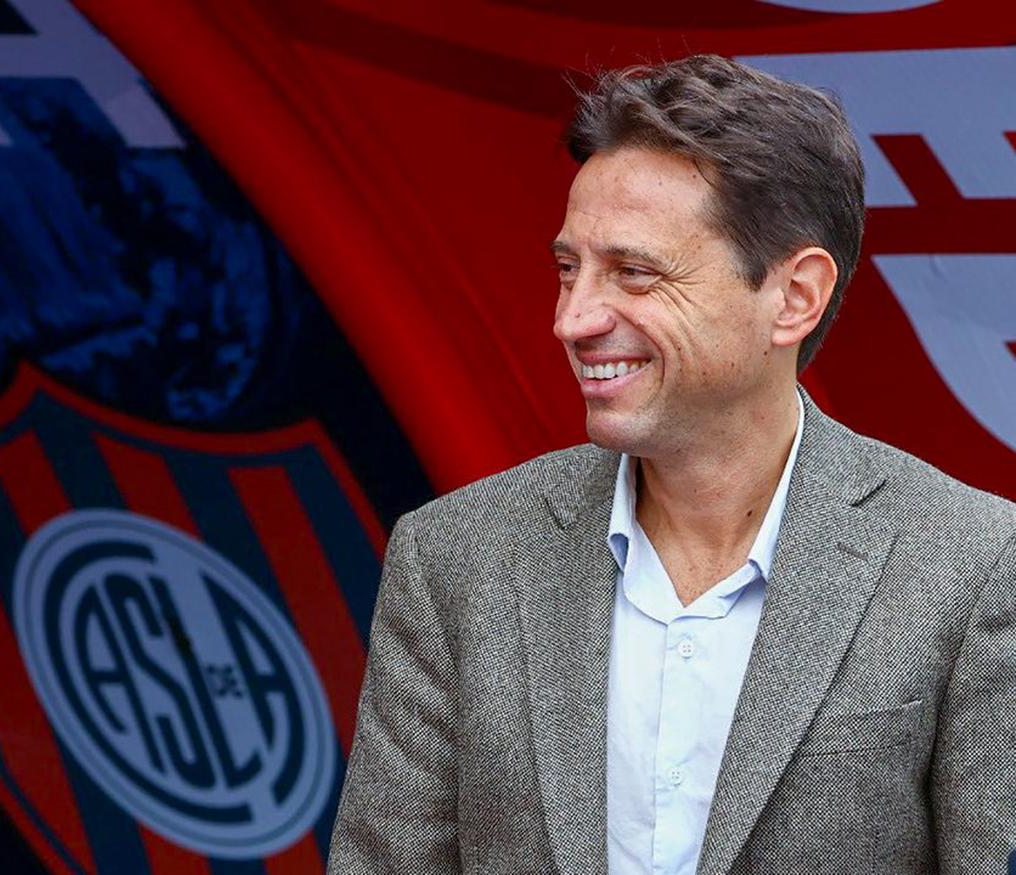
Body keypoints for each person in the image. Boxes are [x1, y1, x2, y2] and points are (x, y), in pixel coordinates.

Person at [326, 54, 1016, 874]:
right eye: (568, 270)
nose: (573, 319)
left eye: (634, 272)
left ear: (795, 296)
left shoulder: (969, 562)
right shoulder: (454, 558)